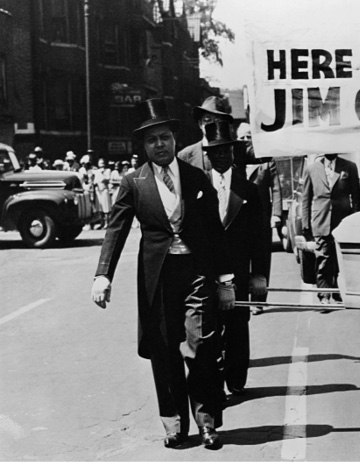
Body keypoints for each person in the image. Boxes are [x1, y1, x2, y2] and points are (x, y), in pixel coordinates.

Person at [90, 98, 235, 449]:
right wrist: (103, 275)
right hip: (157, 277)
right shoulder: (133, 183)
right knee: (165, 350)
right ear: (143, 145)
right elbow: (116, 229)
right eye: (152, 139)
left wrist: (226, 281)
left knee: (200, 345)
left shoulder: (196, 177)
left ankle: (207, 422)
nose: (160, 144)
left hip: (196, 272)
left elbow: (215, 232)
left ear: (174, 138)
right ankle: (173, 423)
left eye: (165, 137)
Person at [197, 119, 268, 397]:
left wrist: (259, 273)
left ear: (233, 152)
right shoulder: (199, 188)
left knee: (238, 327)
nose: (221, 156)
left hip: (239, 271)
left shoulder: (247, 189)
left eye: (225, 150)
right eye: (215, 152)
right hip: (208, 272)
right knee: (210, 328)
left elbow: (260, 236)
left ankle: (236, 379)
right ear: (209, 155)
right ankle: (215, 383)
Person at [236, 122, 282, 316]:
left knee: (261, 261)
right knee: (240, 260)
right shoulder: (234, 161)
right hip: (239, 220)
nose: (246, 141)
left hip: (261, 218)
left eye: (249, 137)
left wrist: (276, 214)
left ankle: (259, 300)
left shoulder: (265, 160)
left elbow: (277, 188)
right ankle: (242, 299)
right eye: (242, 138)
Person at [301, 153, 360, 304]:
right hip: (321, 221)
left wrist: (355, 219)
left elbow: (356, 195)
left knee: (342, 259)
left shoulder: (349, 167)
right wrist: (306, 224)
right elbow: (306, 199)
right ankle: (324, 295)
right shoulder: (312, 169)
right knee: (323, 259)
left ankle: (339, 291)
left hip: (343, 221)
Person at [178, 96, 232, 171]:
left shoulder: (235, 152)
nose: (212, 124)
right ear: (200, 124)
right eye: (208, 120)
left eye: (217, 121)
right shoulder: (185, 156)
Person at [93, 157, 112, 229]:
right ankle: (101, 223)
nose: (101, 164)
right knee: (100, 208)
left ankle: (107, 223)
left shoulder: (107, 171)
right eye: (100, 162)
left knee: (106, 207)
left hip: (104, 190)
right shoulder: (96, 171)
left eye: (102, 162)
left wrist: (102, 173)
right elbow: (95, 181)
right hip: (98, 191)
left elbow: (107, 179)